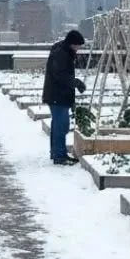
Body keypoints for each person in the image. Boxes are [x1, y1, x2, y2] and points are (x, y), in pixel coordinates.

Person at [42, 29, 86, 165]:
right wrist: (76, 83)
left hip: (58, 95)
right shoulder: (61, 53)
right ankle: (59, 155)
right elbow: (61, 75)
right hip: (57, 95)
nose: (78, 49)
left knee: (58, 125)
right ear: (72, 43)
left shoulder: (64, 51)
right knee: (61, 126)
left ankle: (56, 153)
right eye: (78, 46)